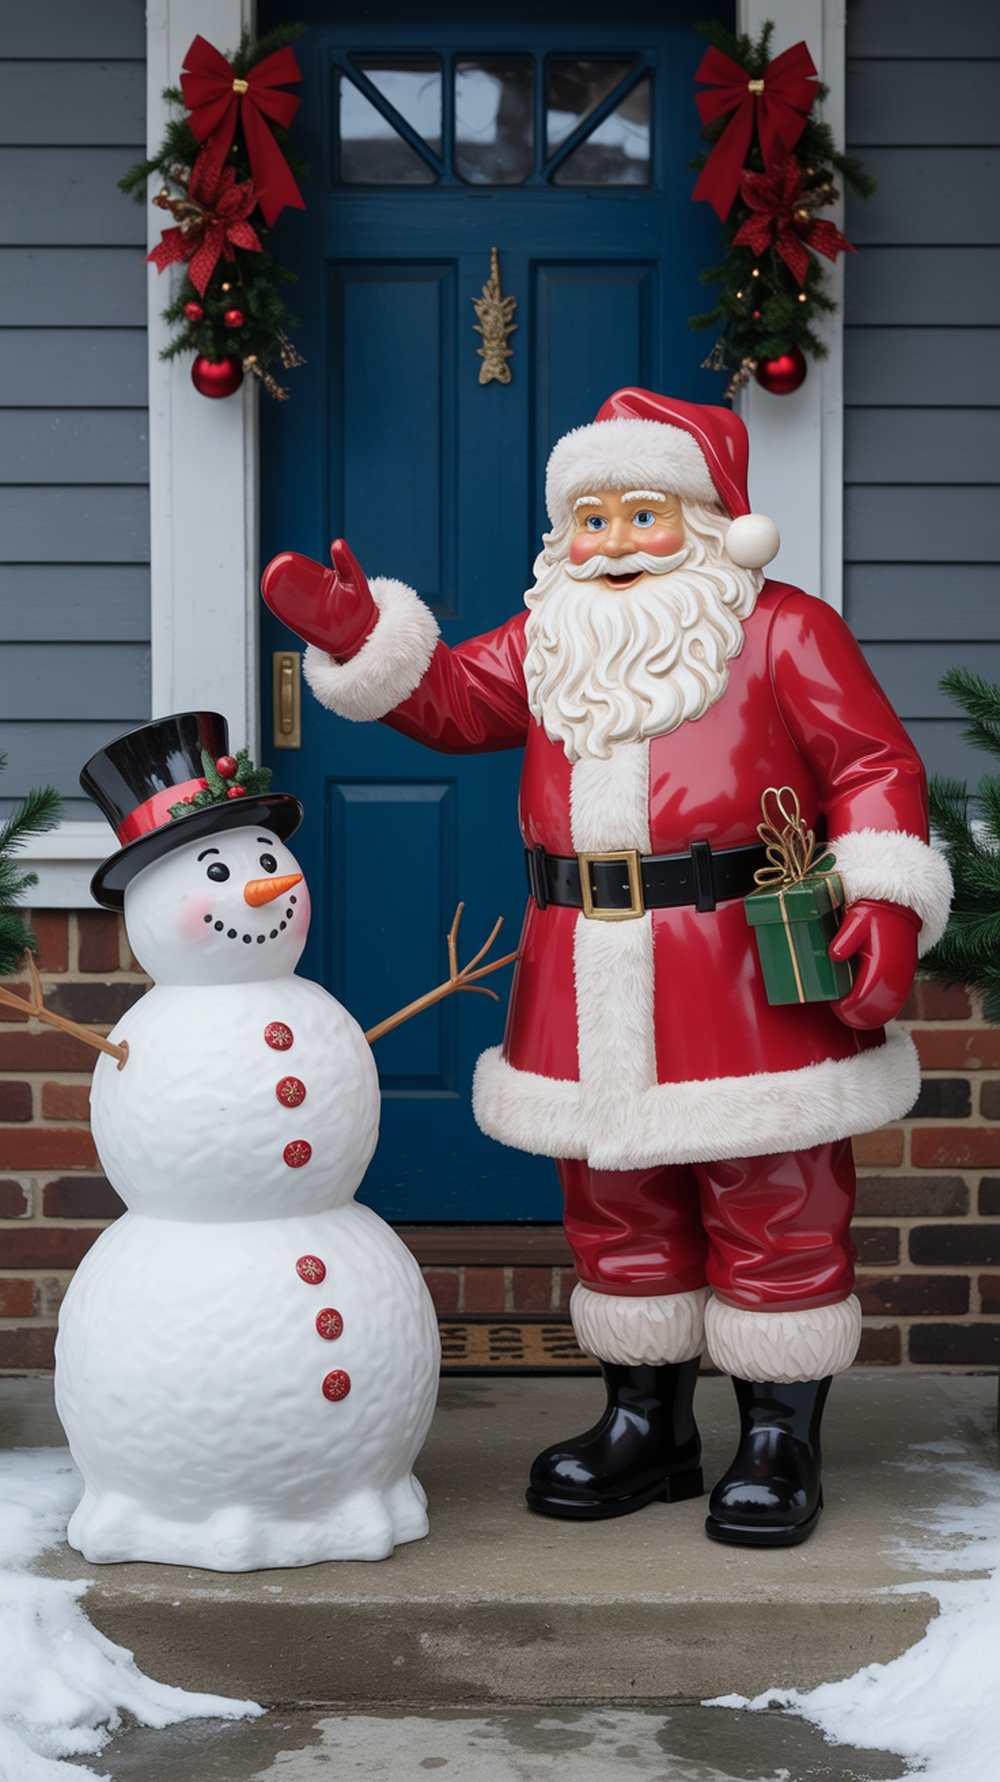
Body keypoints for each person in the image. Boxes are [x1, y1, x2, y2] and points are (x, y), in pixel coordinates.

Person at [262, 389, 951, 1546]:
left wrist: (882, 896)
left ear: (708, 520)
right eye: (591, 520)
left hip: (737, 963)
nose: (615, 543)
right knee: (615, 1200)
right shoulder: (549, 641)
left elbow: (872, 765)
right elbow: (444, 698)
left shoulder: (784, 630)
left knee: (770, 1190)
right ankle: (648, 1425)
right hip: (580, 964)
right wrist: (358, 639)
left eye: (643, 514)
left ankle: (778, 1437)